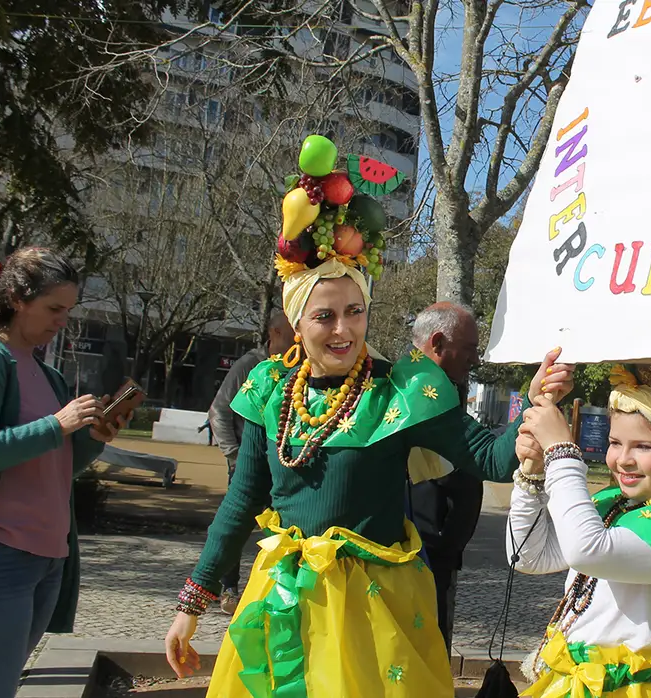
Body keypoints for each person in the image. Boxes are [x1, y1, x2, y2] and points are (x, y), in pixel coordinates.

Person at [162, 135, 575, 698]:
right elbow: (242, 500)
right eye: (324, 316)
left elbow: (489, 458)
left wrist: (533, 407)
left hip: (373, 612)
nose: (342, 330)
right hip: (283, 599)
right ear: (296, 322)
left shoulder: (404, 387)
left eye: (354, 312)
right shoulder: (267, 388)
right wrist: (193, 601)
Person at [508, 363, 651, 698]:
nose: (622, 460)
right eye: (615, 442)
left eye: (644, 447)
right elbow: (528, 555)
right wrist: (531, 477)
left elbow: (586, 550)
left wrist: (561, 450)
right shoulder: (613, 502)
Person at [0, 249, 129, 698]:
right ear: (18, 298)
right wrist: (56, 424)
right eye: (54, 309)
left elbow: (60, 467)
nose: (62, 320)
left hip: (47, 557)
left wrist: (96, 435)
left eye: (68, 310)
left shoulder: (48, 374)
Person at [409, 302, 485, 655]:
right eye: (469, 349)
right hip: (421, 547)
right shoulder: (410, 393)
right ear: (438, 344)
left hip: (440, 548)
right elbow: (483, 460)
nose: (475, 360)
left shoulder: (444, 389)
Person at [206, 310, 294, 615]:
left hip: (282, 466)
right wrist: (233, 455)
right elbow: (218, 410)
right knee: (237, 524)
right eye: (292, 330)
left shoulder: (297, 369)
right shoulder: (250, 365)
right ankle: (227, 588)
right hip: (247, 463)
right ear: (275, 333)